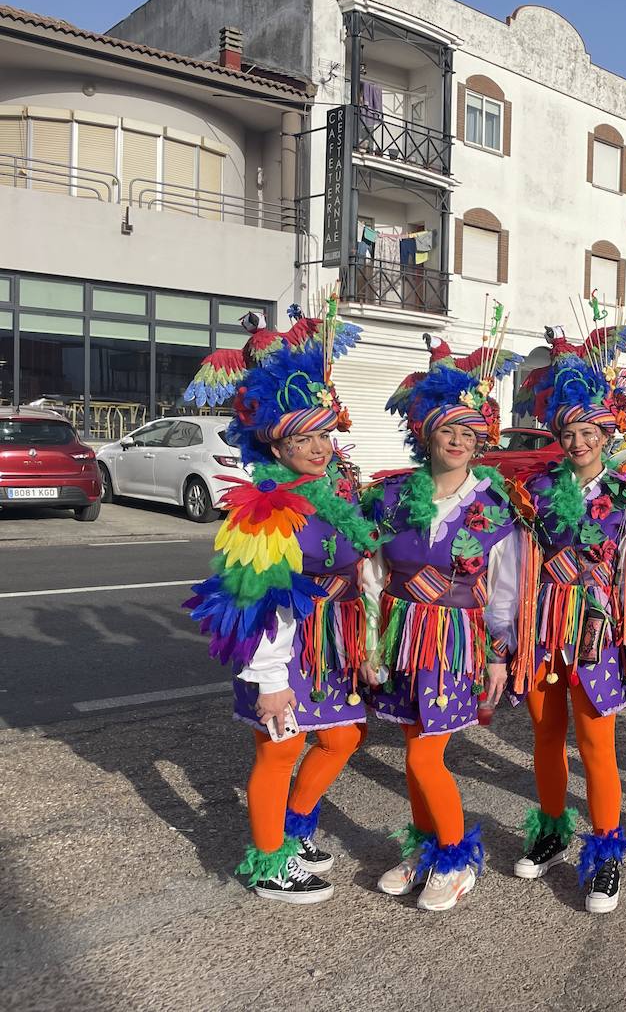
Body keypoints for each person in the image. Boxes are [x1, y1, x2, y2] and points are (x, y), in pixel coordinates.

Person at [184, 298, 378, 903]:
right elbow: (255, 597)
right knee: (280, 746)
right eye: (304, 440)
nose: (318, 447)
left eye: (323, 434)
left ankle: (295, 830)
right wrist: (269, 678)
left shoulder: (332, 490)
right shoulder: (265, 506)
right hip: (280, 644)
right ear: (276, 447)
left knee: (343, 737)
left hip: (328, 643)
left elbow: (363, 563)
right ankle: (269, 863)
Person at [506, 320, 626, 913]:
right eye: (568, 432)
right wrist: (510, 631)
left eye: (588, 432)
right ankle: (552, 829)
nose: (577, 442)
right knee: (546, 736)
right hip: (545, 625)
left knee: (597, 743)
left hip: (600, 631)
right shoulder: (536, 489)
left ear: (607, 432)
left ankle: (605, 853)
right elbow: (517, 561)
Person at [360, 329, 530, 911]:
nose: (457, 440)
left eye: (468, 431)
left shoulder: (492, 505)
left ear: (480, 440)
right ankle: (426, 844)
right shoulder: (391, 497)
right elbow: (373, 576)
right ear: (425, 434)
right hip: (402, 636)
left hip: (457, 641)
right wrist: (370, 644)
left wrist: (498, 655)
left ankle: (456, 860)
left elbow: (505, 590)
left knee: (424, 753)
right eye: (446, 429)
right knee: (414, 742)